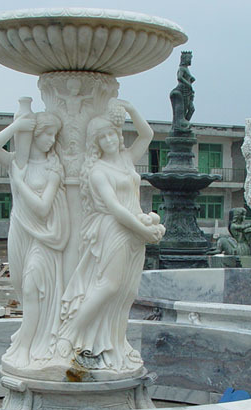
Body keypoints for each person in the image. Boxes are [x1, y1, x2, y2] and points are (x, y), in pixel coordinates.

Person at [57, 99, 164, 373]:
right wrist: (144, 230)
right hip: (114, 229)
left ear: (118, 135)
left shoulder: (127, 158)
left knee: (128, 291)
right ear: (96, 142)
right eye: (101, 137)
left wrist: (130, 109)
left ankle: (112, 343)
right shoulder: (97, 171)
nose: (108, 140)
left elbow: (147, 134)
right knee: (109, 285)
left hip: (135, 231)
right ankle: (69, 334)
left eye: (111, 134)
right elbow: (116, 208)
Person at [0, 110, 69, 370]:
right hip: (20, 232)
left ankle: (25, 347)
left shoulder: (53, 167)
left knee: (33, 287)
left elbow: (44, 208)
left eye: (54, 135)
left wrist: (20, 185)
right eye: (46, 134)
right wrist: (16, 126)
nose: (50, 140)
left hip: (45, 237)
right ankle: (31, 338)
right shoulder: (17, 162)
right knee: (21, 287)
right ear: (33, 135)